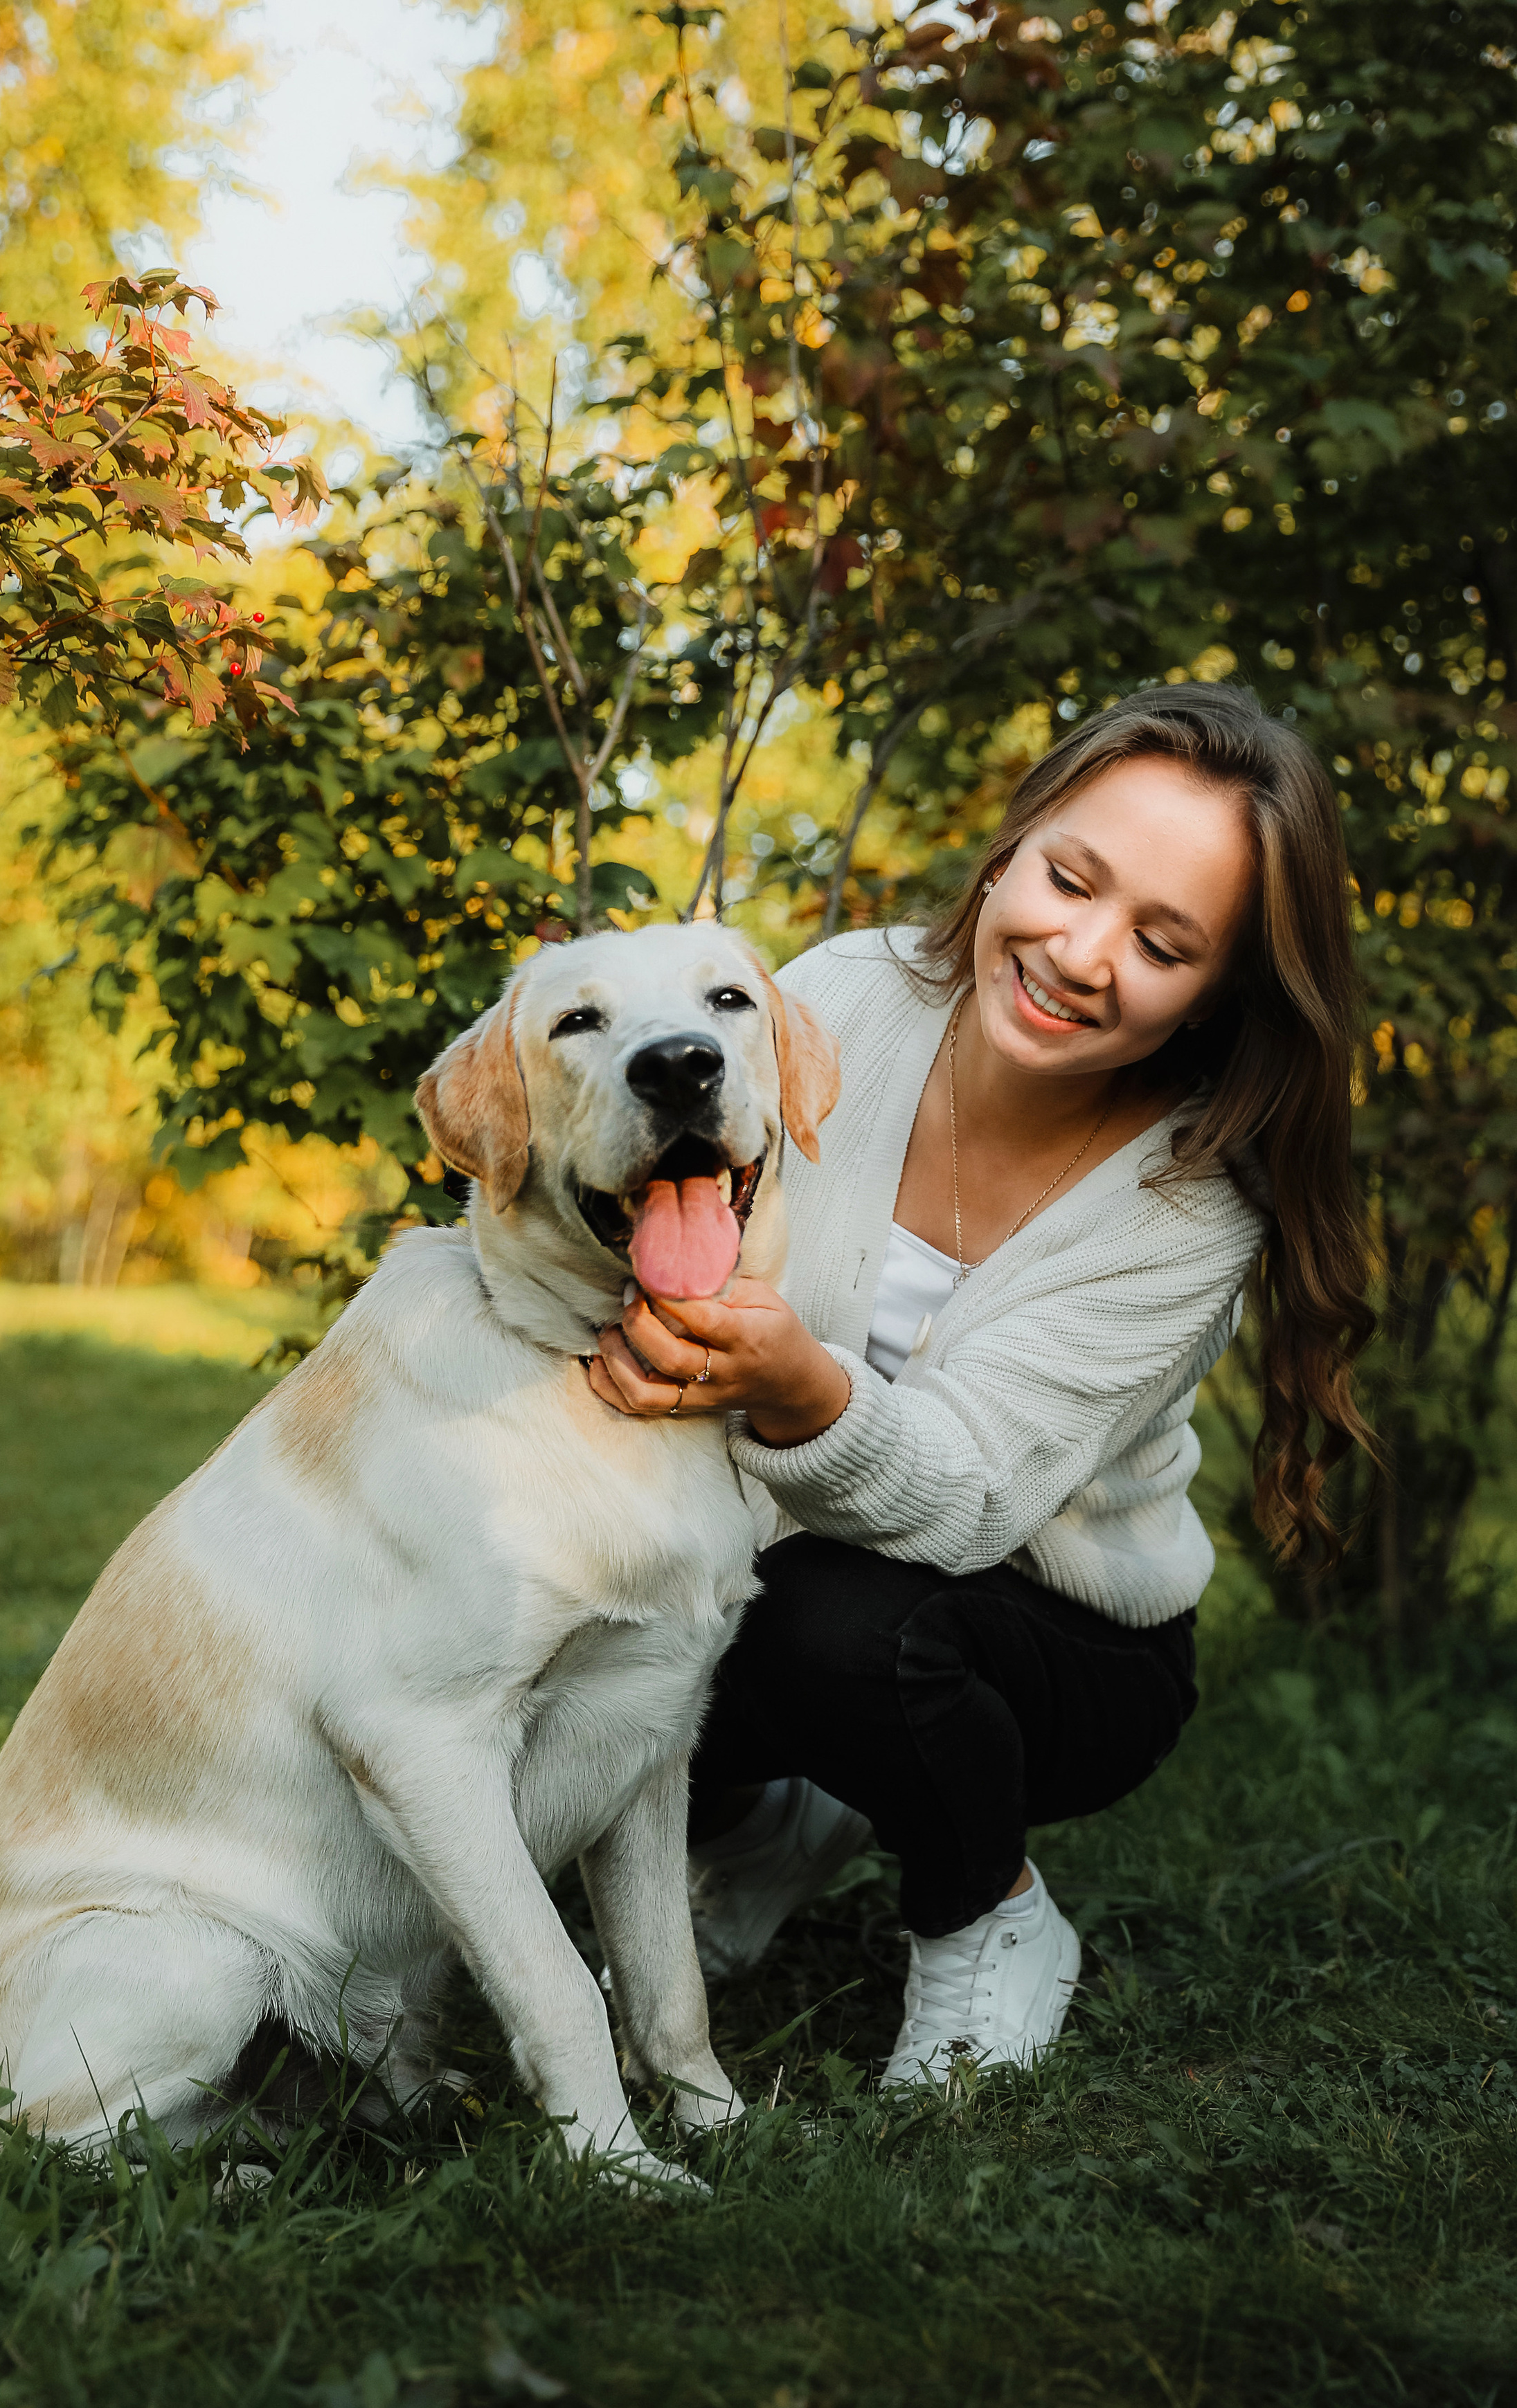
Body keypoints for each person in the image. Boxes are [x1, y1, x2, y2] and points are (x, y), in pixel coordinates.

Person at [586, 682, 1375, 2090]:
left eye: (1160, 942)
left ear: (1218, 992)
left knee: (827, 1629)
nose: (1078, 952)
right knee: (637, 1633)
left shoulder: (1191, 1205)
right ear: (1009, 850)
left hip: (1056, 1637)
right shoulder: (842, 995)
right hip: (766, 1559)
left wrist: (789, 1386)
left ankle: (988, 1918)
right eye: (1069, 879)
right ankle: (776, 1826)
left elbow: (964, 1494)